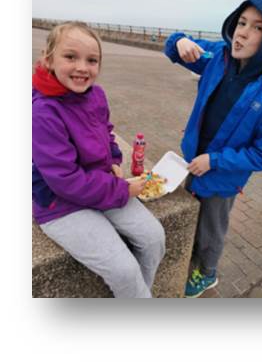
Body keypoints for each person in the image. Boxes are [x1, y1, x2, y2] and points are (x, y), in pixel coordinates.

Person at [32, 22, 166, 298]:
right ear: (49, 59)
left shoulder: (97, 95)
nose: (83, 67)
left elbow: (106, 132)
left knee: (154, 239)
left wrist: (115, 159)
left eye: (92, 60)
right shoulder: (43, 112)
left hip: (102, 183)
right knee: (124, 270)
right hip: (60, 202)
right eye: (71, 57)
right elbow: (65, 181)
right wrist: (123, 189)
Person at [163, 0, 262, 297]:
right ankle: (191, 256)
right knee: (191, 208)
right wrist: (178, 42)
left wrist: (214, 161)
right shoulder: (220, 56)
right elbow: (178, 48)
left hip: (222, 173)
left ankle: (208, 273)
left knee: (211, 227)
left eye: (258, 27)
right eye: (242, 22)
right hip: (193, 157)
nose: (243, 31)